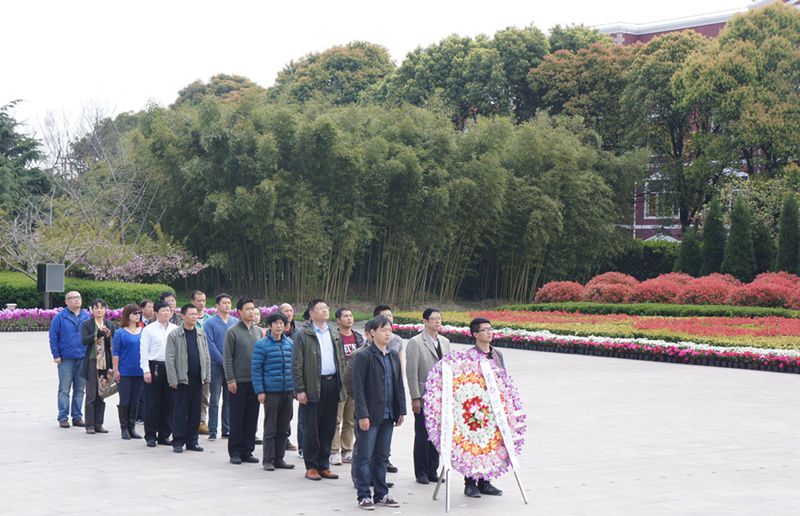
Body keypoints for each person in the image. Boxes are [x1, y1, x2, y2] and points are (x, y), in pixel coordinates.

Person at [352, 316, 406, 510]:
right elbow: (358, 389)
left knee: (382, 456)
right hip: (371, 415)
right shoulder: (364, 356)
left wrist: (401, 410)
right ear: (372, 333)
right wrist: (363, 415)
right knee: (365, 456)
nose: (388, 333)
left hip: (389, 413)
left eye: (389, 329)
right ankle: (364, 495)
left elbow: (399, 384)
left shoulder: (392, 355)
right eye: (383, 329)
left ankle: (381, 494)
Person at [292, 299, 346, 481]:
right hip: (312, 386)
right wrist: (300, 389)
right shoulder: (302, 334)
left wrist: (342, 385)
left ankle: (324, 465)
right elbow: (296, 364)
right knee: (311, 428)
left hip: (332, 384)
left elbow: (341, 360)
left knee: (328, 427)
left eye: (326, 308)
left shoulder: (333, 332)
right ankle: (311, 466)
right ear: (311, 313)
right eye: (321, 308)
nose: (325, 310)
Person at [405, 307, 451, 484]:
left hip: (441, 396)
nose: (437, 321)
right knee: (423, 434)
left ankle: (433, 469)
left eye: (439, 318)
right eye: (434, 319)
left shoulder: (445, 341)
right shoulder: (416, 342)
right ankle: (421, 472)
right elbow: (411, 373)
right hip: (424, 396)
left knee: (437, 435)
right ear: (425, 321)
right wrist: (415, 397)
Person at [463, 317, 504, 498]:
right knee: (473, 445)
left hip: (493, 407)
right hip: (474, 409)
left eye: (490, 329)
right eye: (485, 330)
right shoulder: (469, 356)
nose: (489, 332)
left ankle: (485, 482)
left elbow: (503, 379)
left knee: (490, 446)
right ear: (475, 334)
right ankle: (470, 483)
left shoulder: (497, 354)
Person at [252, 312, 296, 471]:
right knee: (270, 427)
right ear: (269, 326)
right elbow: (256, 369)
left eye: (281, 323)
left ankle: (279, 458)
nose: (279, 326)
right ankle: (268, 460)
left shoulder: (290, 343)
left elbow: (294, 367)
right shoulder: (261, 344)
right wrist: (260, 390)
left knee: (284, 426)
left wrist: (295, 389)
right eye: (275, 323)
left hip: (287, 391)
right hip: (271, 391)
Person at [166, 304, 211, 453]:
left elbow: (206, 356)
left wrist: (207, 376)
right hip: (181, 380)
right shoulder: (175, 334)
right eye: (191, 314)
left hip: (197, 379)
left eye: (195, 314)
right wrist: (172, 379)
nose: (194, 316)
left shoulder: (200, 333)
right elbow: (170, 358)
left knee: (195, 411)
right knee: (180, 411)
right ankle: (178, 440)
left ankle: (192, 441)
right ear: (183, 316)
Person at [224, 297, 262, 465]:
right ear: (239, 312)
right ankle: (235, 451)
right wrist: (231, 379)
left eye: (253, 308)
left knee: (251, 418)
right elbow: (227, 358)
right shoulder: (232, 332)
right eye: (247, 309)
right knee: (237, 418)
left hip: (254, 381)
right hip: (238, 381)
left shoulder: (258, 332)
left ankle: (248, 450)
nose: (251, 312)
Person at [140, 300, 178, 447]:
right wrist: (146, 371)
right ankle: (150, 434)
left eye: (168, 310)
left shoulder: (175, 329)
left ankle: (164, 435)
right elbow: (143, 351)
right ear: (155, 313)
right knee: (152, 402)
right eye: (163, 310)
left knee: (168, 403)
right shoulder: (149, 329)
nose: (166, 312)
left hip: (170, 368)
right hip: (154, 366)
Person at [50, 291, 89, 428]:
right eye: (72, 298)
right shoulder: (60, 317)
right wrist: (56, 354)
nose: (76, 300)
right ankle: (62, 417)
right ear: (66, 302)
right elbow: (53, 336)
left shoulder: (87, 316)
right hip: (66, 358)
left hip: (83, 358)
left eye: (78, 297)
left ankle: (77, 417)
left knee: (80, 389)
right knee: (64, 389)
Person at [331, 307, 364, 466]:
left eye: (351, 315)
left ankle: (346, 450)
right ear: (338, 320)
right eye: (345, 316)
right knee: (336, 419)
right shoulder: (334, 338)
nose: (349, 318)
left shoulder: (358, 337)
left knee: (350, 420)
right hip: (338, 382)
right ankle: (334, 451)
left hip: (353, 382)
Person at [204, 293, 239, 440]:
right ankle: (212, 429)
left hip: (233, 366)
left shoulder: (236, 322)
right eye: (224, 303)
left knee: (229, 399)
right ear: (217, 305)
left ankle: (227, 429)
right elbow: (210, 345)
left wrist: (232, 362)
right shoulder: (210, 322)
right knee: (214, 399)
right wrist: (223, 361)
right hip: (216, 365)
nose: (227, 305)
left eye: (229, 303)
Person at [372, 304, 402, 474]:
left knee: (383, 448)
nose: (388, 323)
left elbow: (399, 376)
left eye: (390, 317)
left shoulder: (395, 347)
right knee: (367, 448)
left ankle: (380, 482)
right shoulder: (364, 354)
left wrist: (401, 408)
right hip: (372, 407)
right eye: (384, 319)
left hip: (389, 405)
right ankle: (364, 483)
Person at [80, 298, 115, 434]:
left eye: (101, 307)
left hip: (105, 362)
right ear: (92, 310)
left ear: (105, 309)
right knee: (91, 394)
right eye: (96, 307)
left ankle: (99, 424)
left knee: (102, 393)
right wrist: (97, 335)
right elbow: (83, 340)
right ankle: (89, 424)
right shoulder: (87, 324)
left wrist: (107, 335)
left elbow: (113, 344)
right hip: (92, 361)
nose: (99, 310)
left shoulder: (109, 324)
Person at [112, 304, 144, 440]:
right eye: (134, 313)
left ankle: (132, 427)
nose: (137, 316)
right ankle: (124, 428)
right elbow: (116, 353)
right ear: (127, 315)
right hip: (124, 371)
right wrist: (115, 370)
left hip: (139, 371)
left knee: (135, 401)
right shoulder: (120, 332)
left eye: (138, 313)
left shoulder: (143, 330)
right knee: (125, 400)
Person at [191, 290, 212, 436]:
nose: (201, 303)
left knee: (205, 394)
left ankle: (202, 421)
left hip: (207, 361)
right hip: (192, 361)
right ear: (193, 302)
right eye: (198, 300)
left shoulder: (210, 320)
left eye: (203, 300)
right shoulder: (187, 320)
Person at [279, 303, 299, 452]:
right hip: (277, 378)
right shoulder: (273, 332)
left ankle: (286, 438)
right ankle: (277, 440)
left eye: (291, 310)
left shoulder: (298, 332)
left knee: (289, 411)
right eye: (286, 310)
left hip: (292, 379)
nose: (289, 313)